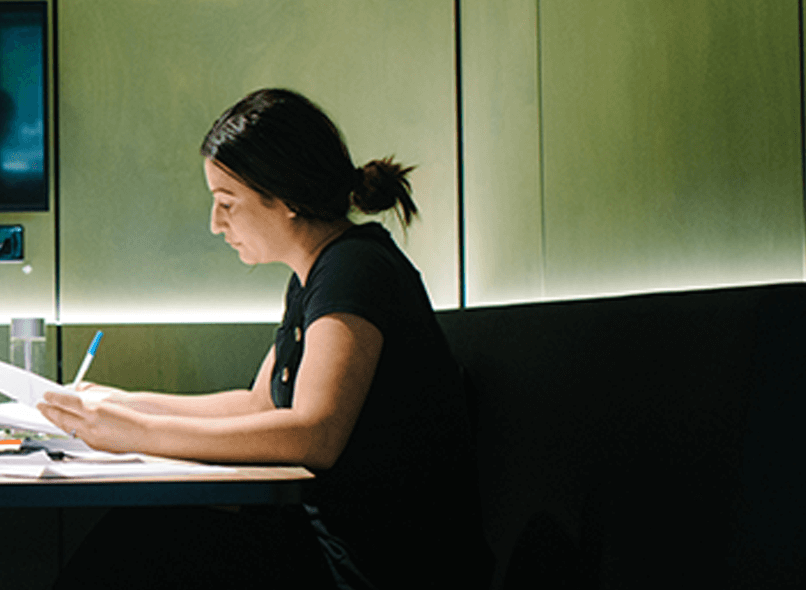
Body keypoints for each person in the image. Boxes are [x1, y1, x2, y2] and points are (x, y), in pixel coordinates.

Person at [38, 88, 491, 589]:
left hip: (377, 563)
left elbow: (313, 434)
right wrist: (123, 402)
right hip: (325, 542)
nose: (216, 224)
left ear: (288, 198)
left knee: (140, 546)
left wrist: (133, 433)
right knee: (139, 539)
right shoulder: (314, 276)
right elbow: (258, 405)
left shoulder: (354, 269)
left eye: (226, 203)